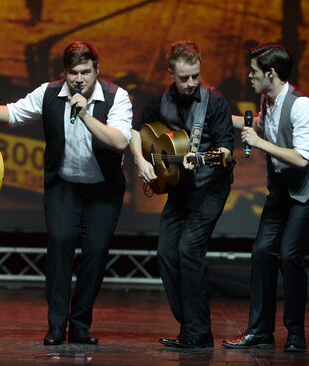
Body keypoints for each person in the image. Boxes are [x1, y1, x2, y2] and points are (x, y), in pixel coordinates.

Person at [0, 41, 132, 345]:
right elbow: (14, 113)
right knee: (60, 246)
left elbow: (119, 141)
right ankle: (57, 325)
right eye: (73, 73)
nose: (79, 79)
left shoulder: (116, 96)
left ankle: (80, 325)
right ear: (65, 72)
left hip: (103, 189)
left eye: (86, 72)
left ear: (97, 70)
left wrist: (86, 115)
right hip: (64, 185)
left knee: (96, 253)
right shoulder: (50, 92)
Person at [129, 40, 234, 348]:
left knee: (189, 250)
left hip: (211, 186)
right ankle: (188, 324)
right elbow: (137, 129)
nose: (191, 83)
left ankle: (199, 333)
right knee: (166, 253)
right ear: (171, 72)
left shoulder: (214, 102)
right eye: (184, 77)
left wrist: (205, 157)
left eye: (196, 76)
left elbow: (226, 152)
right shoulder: (160, 100)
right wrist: (140, 161)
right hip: (178, 188)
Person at [222, 43, 309, 352]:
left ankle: (296, 334)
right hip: (280, 190)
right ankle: (260, 331)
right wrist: (220, 116)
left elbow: (301, 158)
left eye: (255, 72)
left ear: (271, 74)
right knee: (261, 254)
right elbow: (261, 127)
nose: (249, 76)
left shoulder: (301, 106)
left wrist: (259, 142)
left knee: (289, 256)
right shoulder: (267, 100)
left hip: (304, 192)